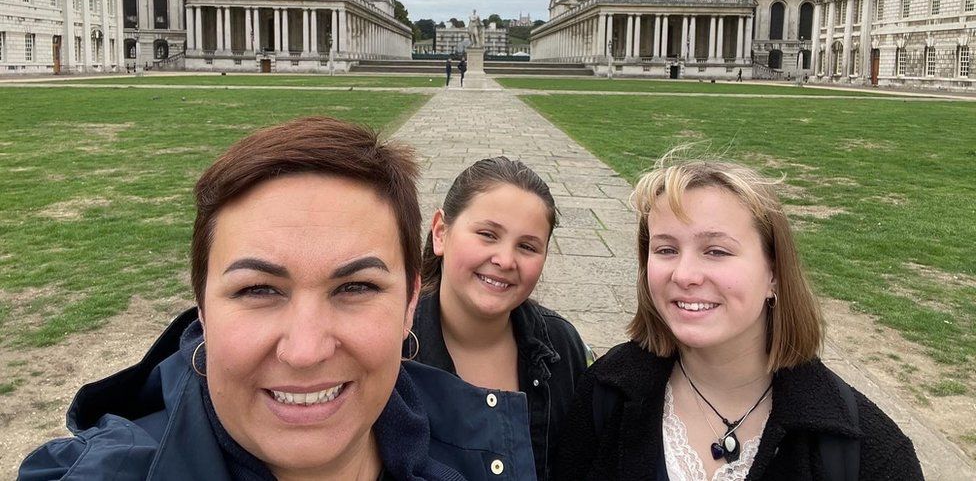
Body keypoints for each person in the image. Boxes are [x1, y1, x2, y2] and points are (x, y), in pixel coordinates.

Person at [20, 117, 533, 480]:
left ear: (409, 303)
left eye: (356, 287)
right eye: (258, 290)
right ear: (201, 308)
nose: (305, 350)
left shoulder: (484, 450)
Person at [554, 152, 923, 481]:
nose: (684, 275)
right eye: (666, 249)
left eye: (715, 251)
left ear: (774, 274)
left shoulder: (867, 451)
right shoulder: (604, 394)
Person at [409, 157, 590, 480]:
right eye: (488, 234)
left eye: (527, 247)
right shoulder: (392, 345)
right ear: (440, 233)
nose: (505, 260)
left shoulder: (562, 346)